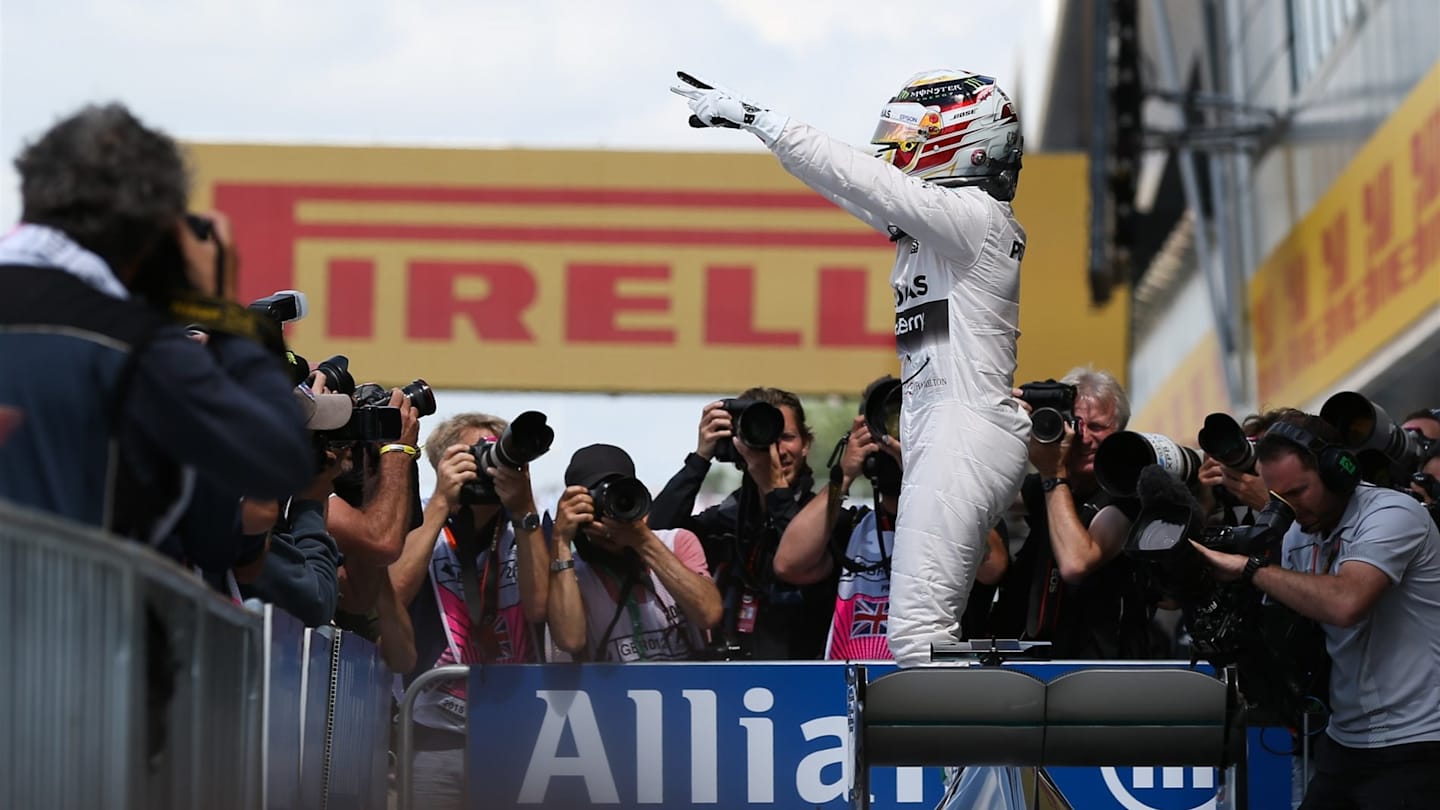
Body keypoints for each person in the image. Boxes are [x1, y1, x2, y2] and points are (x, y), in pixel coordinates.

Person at [672, 69, 1031, 665]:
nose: (894, 147)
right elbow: (852, 187)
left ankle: (992, 755)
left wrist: (761, 116)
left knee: (918, 638)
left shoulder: (976, 219)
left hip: (962, 428)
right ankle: (975, 756)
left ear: (962, 136)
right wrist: (760, 134)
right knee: (921, 638)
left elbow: (861, 177)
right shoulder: (946, 228)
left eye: (909, 133)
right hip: (948, 429)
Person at [0, 102, 311, 540]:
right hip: (78, 604)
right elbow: (279, 459)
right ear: (153, 233)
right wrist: (223, 312)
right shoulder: (132, 343)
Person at [1192, 411, 1440, 808]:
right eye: (1276, 499)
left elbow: (1346, 603)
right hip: (1344, 742)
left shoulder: (1393, 513)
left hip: (1417, 742)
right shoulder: (1297, 532)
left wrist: (1249, 568)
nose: (1288, 509)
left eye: (1298, 492)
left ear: (1337, 472)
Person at [388, 412, 550, 810]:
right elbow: (392, 595)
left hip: (520, 731)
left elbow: (540, 605)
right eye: (479, 454)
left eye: (501, 454)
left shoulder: (528, 527)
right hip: (433, 733)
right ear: (443, 463)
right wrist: (442, 501)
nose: (492, 464)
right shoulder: (416, 519)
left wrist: (524, 506)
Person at [776, 413, 1009, 659]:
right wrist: (844, 474)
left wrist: (929, 473)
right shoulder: (851, 527)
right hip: (850, 689)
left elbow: (992, 568)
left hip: (938, 686)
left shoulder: (964, 519)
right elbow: (788, 564)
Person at [648, 386, 829, 659]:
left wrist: (775, 490)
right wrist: (700, 458)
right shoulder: (726, 520)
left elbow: (801, 556)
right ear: (738, 445)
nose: (775, 450)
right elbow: (657, 536)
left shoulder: (827, 519)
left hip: (801, 679)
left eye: (786, 437)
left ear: (806, 445)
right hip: (731, 681)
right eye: (764, 437)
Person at [992, 366, 1155, 659]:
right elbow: (982, 498)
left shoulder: (1128, 494)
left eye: (1097, 427)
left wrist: (1053, 473)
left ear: (1120, 433)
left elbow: (1076, 563)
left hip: (1099, 669)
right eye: (1074, 423)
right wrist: (1006, 432)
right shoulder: (1043, 485)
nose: (1083, 437)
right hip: (1028, 660)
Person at [545, 444, 722, 662]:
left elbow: (709, 614)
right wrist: (561, 540)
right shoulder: (576, 574)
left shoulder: (676, 542)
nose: (608, 507)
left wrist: (642, 540)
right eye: (596, 500)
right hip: (614, 696)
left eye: (620, 495)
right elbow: (569, 640)